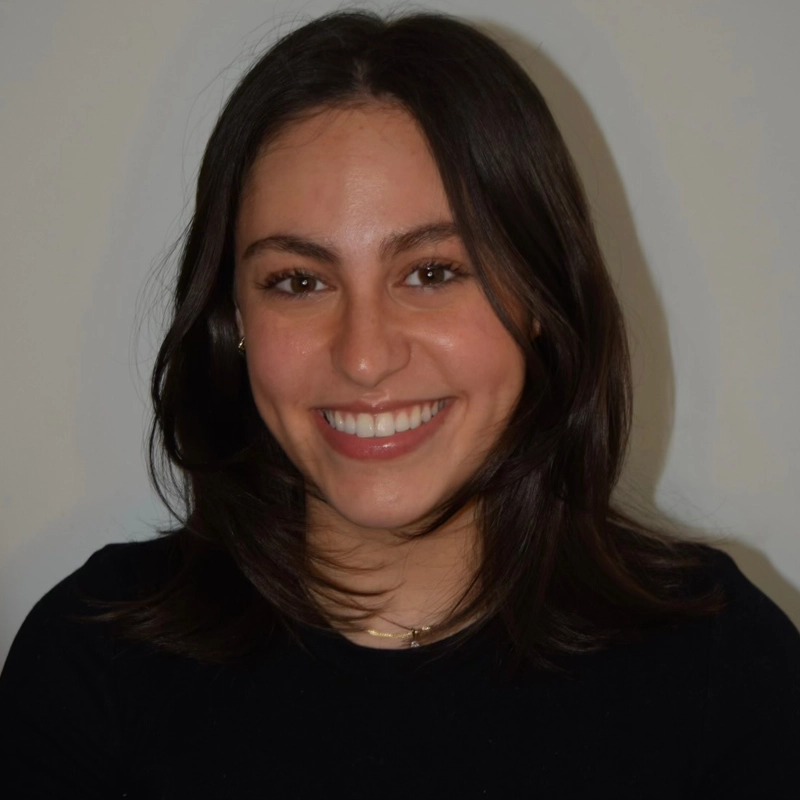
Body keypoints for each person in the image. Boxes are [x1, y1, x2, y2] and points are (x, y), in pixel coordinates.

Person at [1, 9, 799, 798]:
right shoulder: (91, 664)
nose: (364, 354)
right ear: (233, 322)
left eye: (432, 271)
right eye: (299, 281)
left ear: (539, 302)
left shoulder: (723, 666)